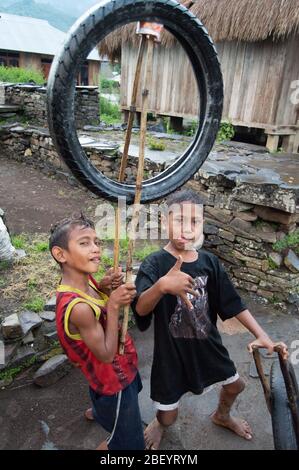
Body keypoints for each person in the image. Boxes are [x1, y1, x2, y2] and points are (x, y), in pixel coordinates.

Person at [132, 189, 288, 450]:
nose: (187, 228)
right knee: (168, 416)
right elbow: (141, 309)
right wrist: (161, 286)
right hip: (172, 355)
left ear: (202, 224)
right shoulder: (154, 264)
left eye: (194, 221)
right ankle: (159, 423)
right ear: (163, 221)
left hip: (208, 346)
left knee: (236, 386)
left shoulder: (210, 263)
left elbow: (233, 303)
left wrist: (262, 335)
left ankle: (222, 415)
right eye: (179, 220)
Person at [49, 213, 145, 450]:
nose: (95, 249)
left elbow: (97, 299)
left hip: (103, 375)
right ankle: (114, 440)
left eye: (96, 242)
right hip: (114, 377)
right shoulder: (79, 308)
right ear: (61, 254)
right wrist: (112, 305)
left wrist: (103, 287)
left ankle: (105, 415)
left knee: (111, 400)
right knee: (131, 443)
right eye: (84, 243)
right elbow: (105, 354)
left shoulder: (86, 281)